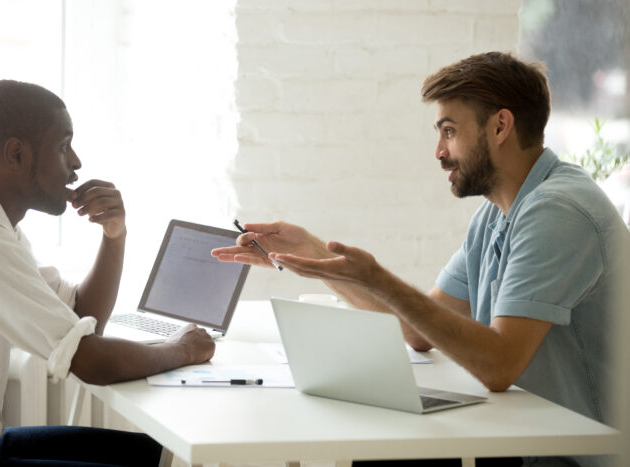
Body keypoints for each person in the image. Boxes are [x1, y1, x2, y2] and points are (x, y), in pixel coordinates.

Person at [212, 52, 630, 467]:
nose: (438, 151)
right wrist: (316, 256)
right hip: (525, 441)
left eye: (449, 131)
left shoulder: (558, 212)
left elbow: (499, 365)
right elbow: (417, 330)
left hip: (580, 457)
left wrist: (377, 278)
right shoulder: (497, 214)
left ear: (500, 126)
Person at [0, 80, 215, 466]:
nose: (76, 163)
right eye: (63, 147)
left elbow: (82, 315)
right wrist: (181, 350)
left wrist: (115, 237)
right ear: (15, 154)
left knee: (150, 455)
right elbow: (90, 360)